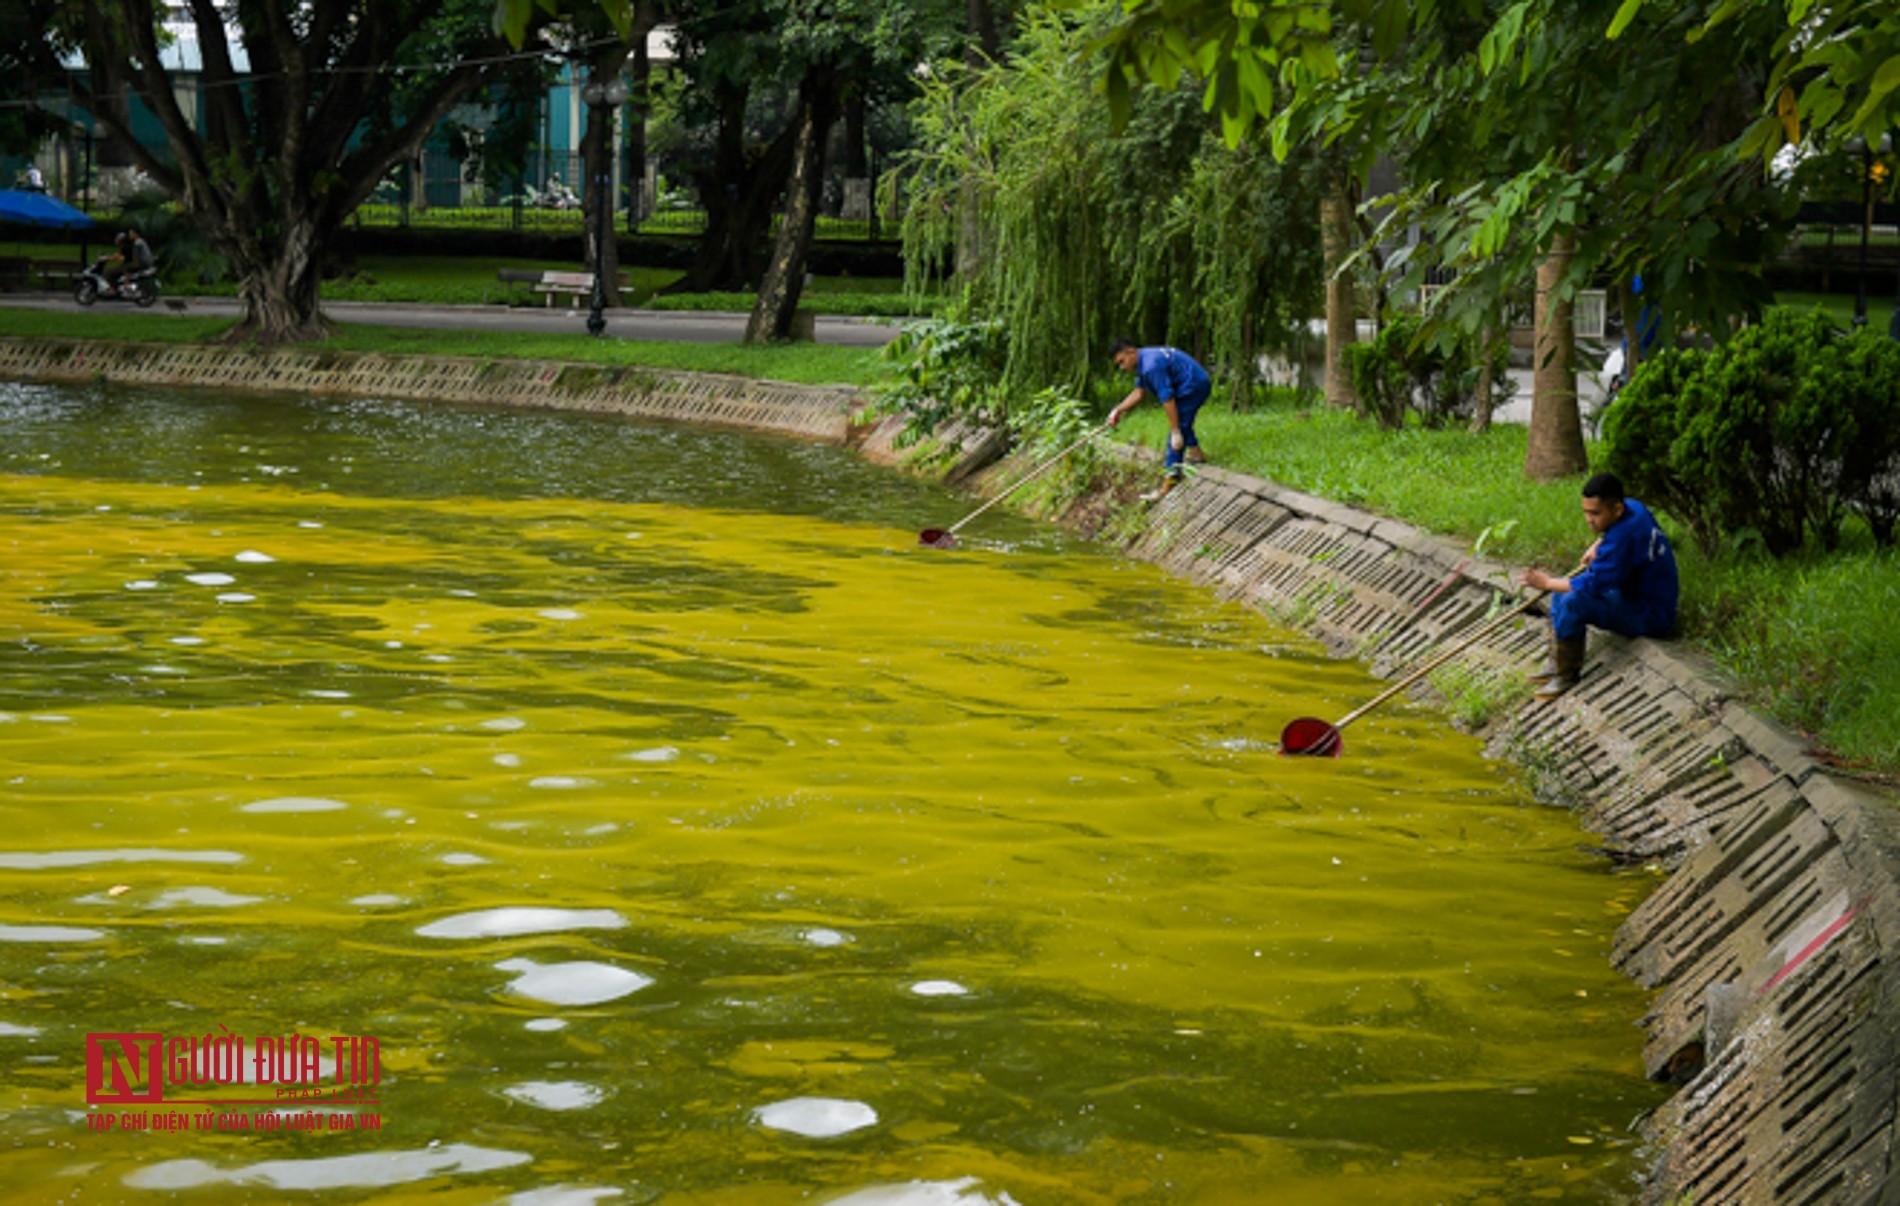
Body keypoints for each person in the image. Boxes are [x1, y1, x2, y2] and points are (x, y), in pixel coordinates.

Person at [1518, 472, 1678, 701]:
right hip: (1634, 596)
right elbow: (1618, 536)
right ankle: (1557, 662)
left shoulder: (1622, 538)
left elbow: (1591, 584)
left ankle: (1567, 674)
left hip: (1650, 614)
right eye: (1586, 512)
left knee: (1573, 599)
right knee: (1560, 592)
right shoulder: (1634, 508)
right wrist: (1599, 542)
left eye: (1596, 513)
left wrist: (1545, 582)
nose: (1589, 520)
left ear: (1617, 510)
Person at [1106, 339, 1212, 501]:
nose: (1122, 367)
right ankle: (1196, 453)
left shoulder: (1150, 366)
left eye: (1122, 361)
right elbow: (1138, 394)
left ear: (1131, 352)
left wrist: (1175, 432)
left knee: (1176, 432)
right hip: (1193, 381)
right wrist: (1118, 410)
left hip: (1194, 385)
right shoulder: (1144, 361)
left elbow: (1167, 399)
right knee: (1182, 419)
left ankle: (1168, 485)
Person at [105, 228, 155, 292]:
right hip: (145, 262)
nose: (130, 235)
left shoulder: (137, 243)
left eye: (131, 233)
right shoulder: (140, 241)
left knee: (125, 267)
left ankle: (126, 285)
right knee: (125, 267)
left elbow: (135, 257)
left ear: (136, 234)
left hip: (143, 263)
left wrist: (127, 261)